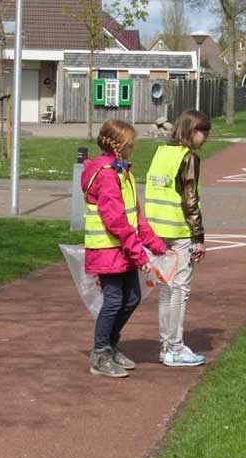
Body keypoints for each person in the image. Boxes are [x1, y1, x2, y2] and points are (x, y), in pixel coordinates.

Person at [83, 120, 168, 378]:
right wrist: (140, 255)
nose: (133, 148)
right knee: (113, 301)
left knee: (131, 298)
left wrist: (156, 245)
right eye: (130, 144)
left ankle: (109, 345)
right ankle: (100, 353)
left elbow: (135, 216)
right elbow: (116, 220)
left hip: (122, 250)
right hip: (108, 250)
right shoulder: (107, 175)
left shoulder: (122, 172)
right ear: (119, 146)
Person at [145, 110, 210, 367]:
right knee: (180, 290)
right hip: (179, 231)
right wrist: (198, 237)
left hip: (157, 230)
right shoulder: (188, 158)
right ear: (191, 131)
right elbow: (190, 200)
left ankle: (167, 345)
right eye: (203, 132)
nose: (205, 138)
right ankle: (174, 347)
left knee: (167, 288)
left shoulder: (161, 153)